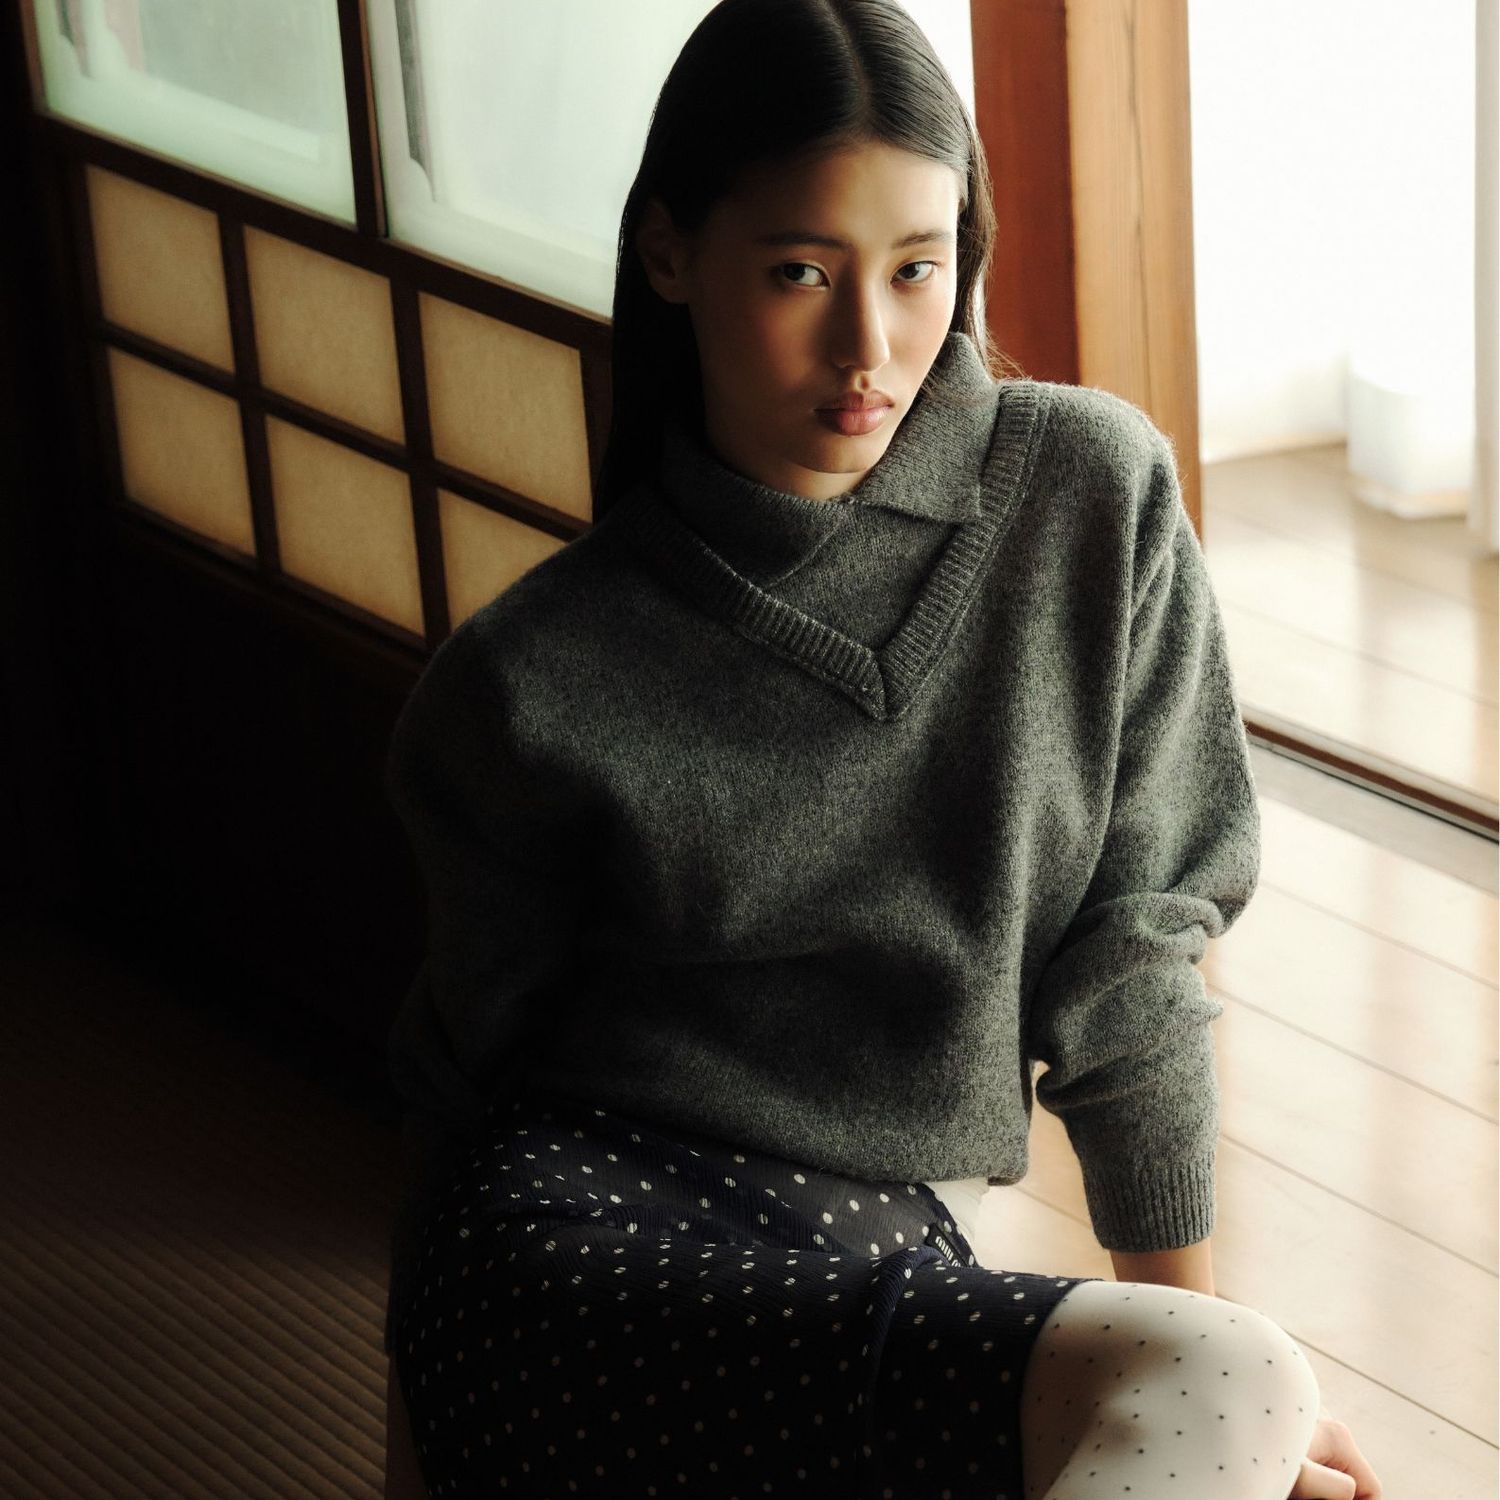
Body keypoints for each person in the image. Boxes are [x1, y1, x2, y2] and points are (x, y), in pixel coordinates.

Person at [380, 2, 1384, 1497]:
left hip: (863, 1242)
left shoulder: (1089, 500)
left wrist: (1190, 1344)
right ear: (670, 256)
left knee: (1233, 1395)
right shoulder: (528, 677)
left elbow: (1137, 953)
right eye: (800, 271)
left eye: (919, 270)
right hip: (577, 1252)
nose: (872, 346)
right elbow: (471, 1072)